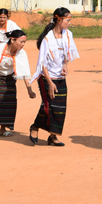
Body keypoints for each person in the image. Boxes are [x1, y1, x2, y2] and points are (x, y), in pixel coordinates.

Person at [29, 7, 79, 146]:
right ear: (58, 19)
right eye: (67, 20)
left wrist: (65, 65)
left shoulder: (68, 35)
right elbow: (42, 64)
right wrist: (50, 82)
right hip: (46, 77)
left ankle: (53, 137)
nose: (69, 23)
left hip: (60, 78)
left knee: (60, 108)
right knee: (48, 105)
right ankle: (35, 127)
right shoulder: (47, 39)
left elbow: (67, 54)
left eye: (70, 20)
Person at [0, 29, 36, 136]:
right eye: (21, 41)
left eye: (25, 42)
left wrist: (29, 90)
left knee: (9, 102)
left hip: (9, 78)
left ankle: (3, 129)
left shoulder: (21, 53)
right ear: (12, 40)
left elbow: (25, 73)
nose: (23, 44)